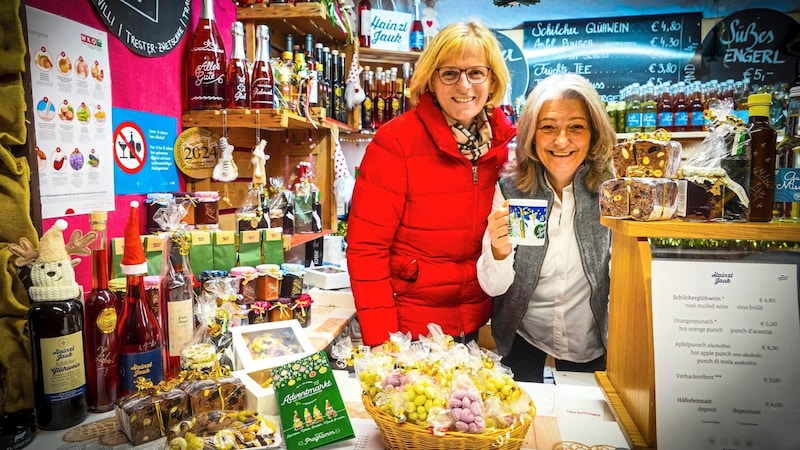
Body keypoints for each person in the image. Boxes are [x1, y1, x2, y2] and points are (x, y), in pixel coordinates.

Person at [346, 20, 516, 347]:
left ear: (492, 79)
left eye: (476, 73)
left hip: (472, 326)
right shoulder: (395, 143)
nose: (464, 85)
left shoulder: (499, 148)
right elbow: (366, 250)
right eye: (450, 73)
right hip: (410, 332)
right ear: (431, 80)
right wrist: (384, 340)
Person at [477, 73, 616, 382]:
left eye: (576, 127)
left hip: (592, 345)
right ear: (531, 135)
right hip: (521, 340)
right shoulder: (511, 190)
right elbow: (494, 288)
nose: (562, 140)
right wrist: (498, 252)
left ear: (594, 134)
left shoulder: (613, 191)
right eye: (548, 127)